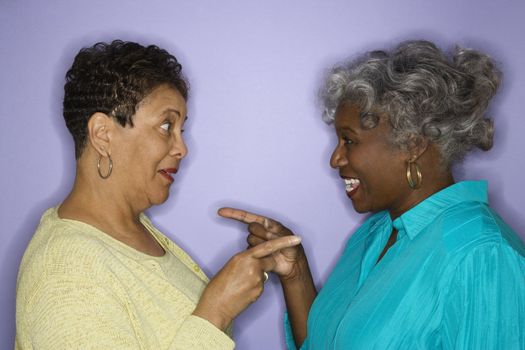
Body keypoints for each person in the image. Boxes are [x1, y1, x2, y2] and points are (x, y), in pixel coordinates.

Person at [219, 40, 525, 349]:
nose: (335, 159)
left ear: (412, 145)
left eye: (348, 141)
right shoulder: (373, 233)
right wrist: (295, 271)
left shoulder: (481, 252)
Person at [15, 40, 301, 349]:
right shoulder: (65, 274)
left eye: (181, 129)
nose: (182, 148)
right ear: (102, 134)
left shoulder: (130, 228)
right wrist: (216, 311)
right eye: (166, 126)